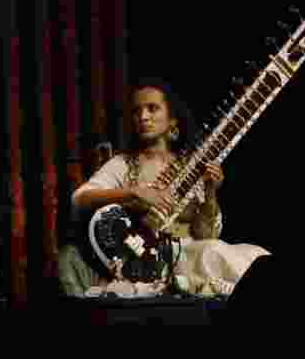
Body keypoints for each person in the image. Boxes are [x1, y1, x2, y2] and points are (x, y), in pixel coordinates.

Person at [59, 77, 269, 297]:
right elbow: (79, 198)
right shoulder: (124, 164)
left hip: (195, 252)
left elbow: (207, 233)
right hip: (158, 263)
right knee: (215, 253)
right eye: (137, 111)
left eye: (152, 108)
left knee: (255, 254)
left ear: (172, 120)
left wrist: (210, 192)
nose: (143, 117)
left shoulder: (192, 165)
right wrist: (133, 192)